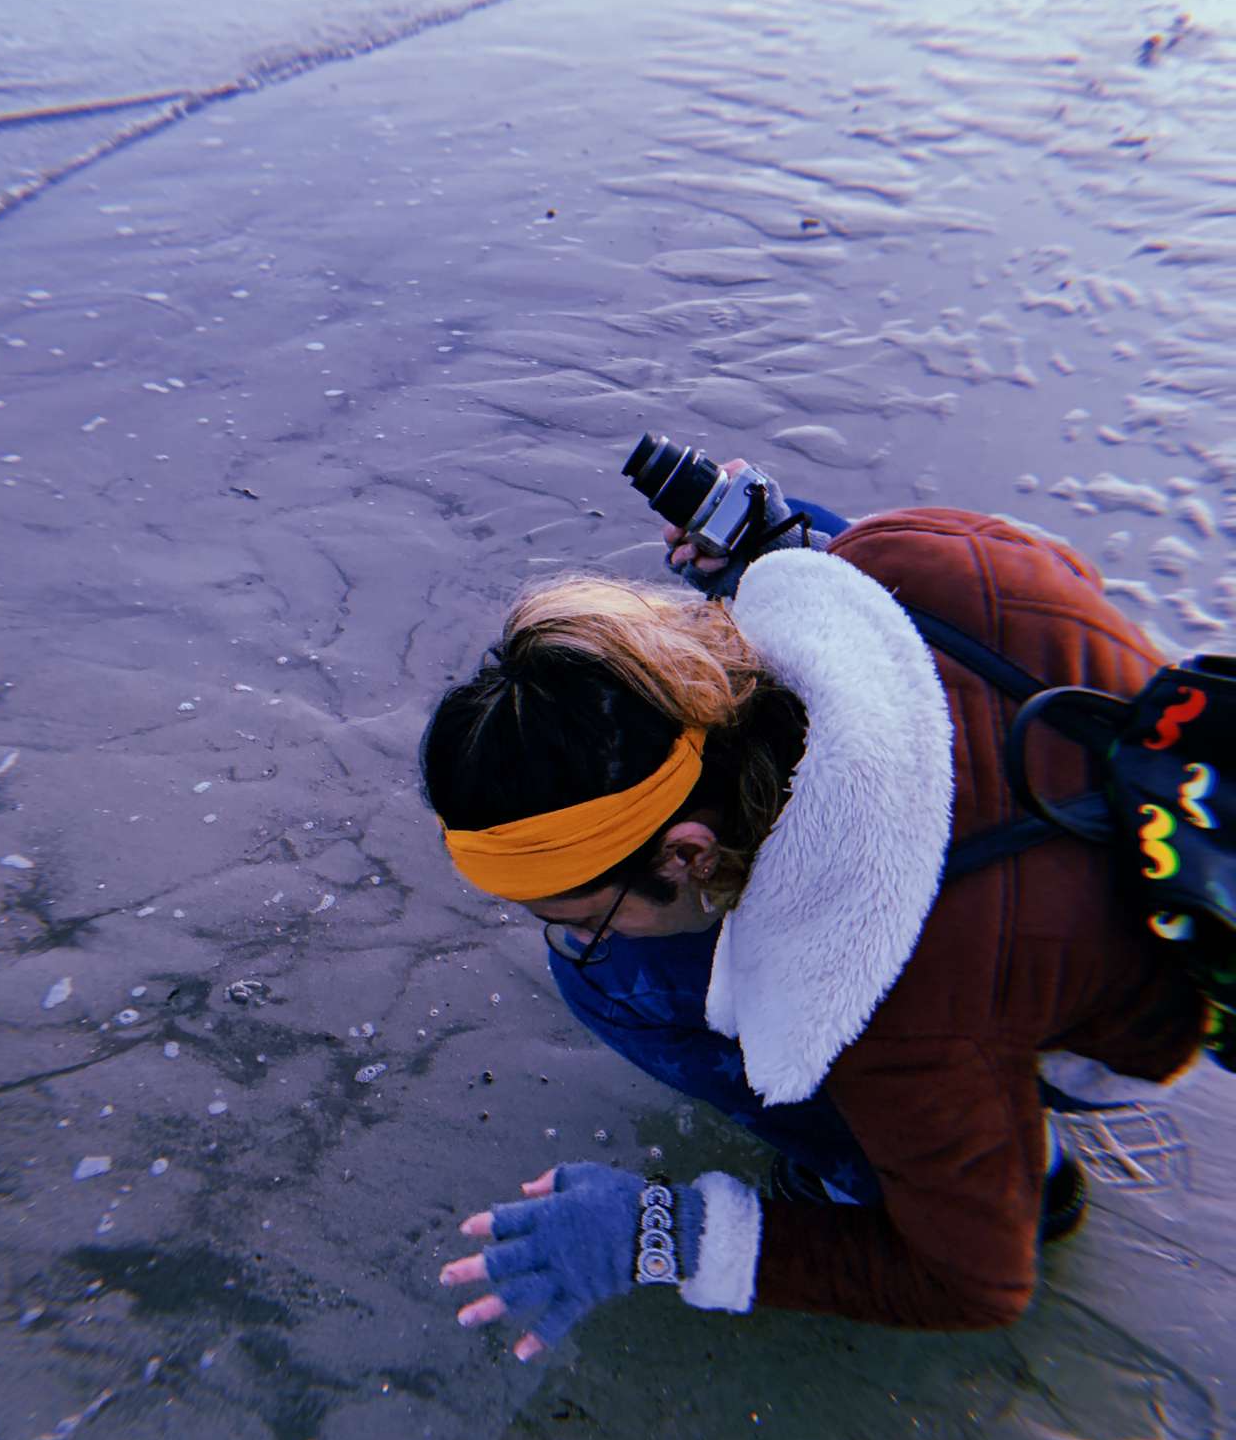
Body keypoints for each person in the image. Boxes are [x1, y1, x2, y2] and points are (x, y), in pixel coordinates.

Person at [421, 461, 1204, 1361]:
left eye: (582, 915)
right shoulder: (900, 555)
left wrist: (662, 1232)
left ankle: (949, 1169)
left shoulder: (897, 1019)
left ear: (687, 852)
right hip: (1149, 818)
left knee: (615, 986)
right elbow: (1069, 577)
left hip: (1127, 1000)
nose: (569, 940)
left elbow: (976, 1282)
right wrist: (787, 547)